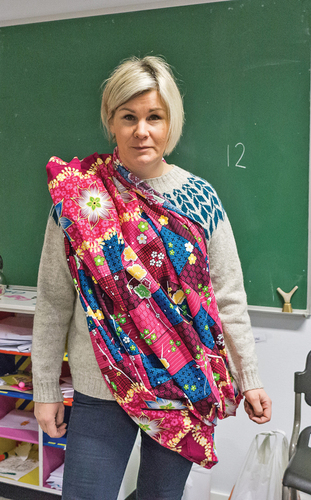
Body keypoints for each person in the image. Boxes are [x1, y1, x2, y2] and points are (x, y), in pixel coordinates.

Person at [32, 56, 271, 500]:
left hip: (183, 386)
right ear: (112, 121)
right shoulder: (80, 198)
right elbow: (52, 302)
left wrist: (249, 377)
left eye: (154, 117)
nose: (142, 130)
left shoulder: (200, 198)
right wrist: (44, 389)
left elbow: (228, 297)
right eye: (129, 117)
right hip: (102, 388)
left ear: (170, 123)